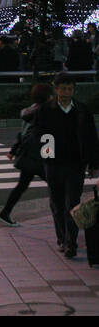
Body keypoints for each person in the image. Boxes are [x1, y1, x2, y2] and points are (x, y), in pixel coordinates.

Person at [33, 73, 99, 259]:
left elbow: (91, 137)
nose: (66, 92)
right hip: (53, 164)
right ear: (56, 89)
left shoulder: (81, 110)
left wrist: (94, 163)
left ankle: (71, 242)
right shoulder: (46, 110)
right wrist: (46, 155)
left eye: (70, 88)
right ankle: (62, 238)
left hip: (76, 164)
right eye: (63, 88)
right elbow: (38, 134)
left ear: (74, 90)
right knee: (57, 202)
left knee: (73, 202)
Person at [0, 83, 52, 226]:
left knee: (22, 185)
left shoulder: (31, 110)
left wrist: (14, 150)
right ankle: (66, 215)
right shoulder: (44, 112)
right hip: (37, 157)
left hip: (29, 156)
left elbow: (23, 134)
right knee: (56, 184)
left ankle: (5, 212)